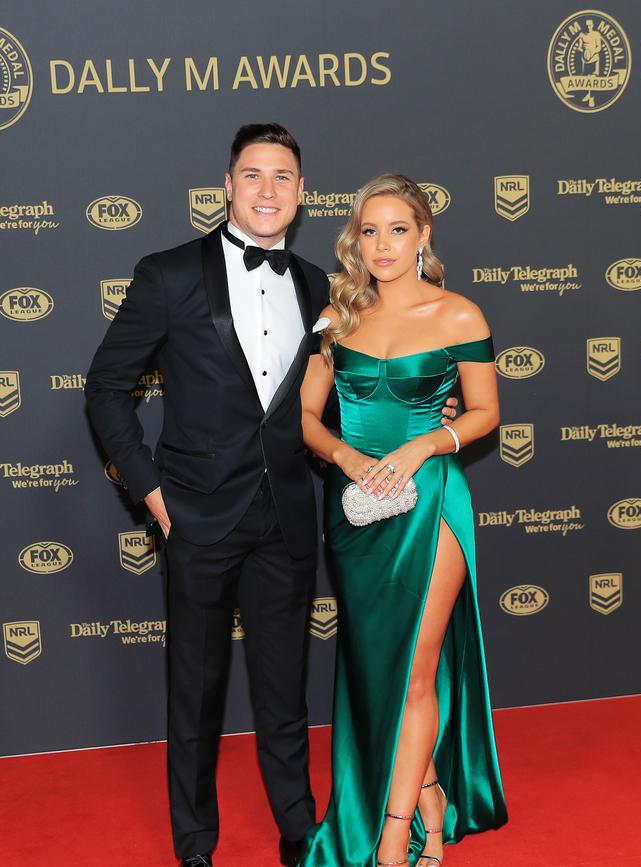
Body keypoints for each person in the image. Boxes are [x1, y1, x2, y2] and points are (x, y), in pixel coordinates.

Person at [84, 125, 461, 866]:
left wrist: (433, 412)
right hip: (193, 514)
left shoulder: (323, 289)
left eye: (282, 177)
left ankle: (299, 830)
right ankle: (195, 844)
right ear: (227, 184)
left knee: (284, 690)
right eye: (252, 175)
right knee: (194, 694)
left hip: (286, 516)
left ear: (300, 193)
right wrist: (153, 495)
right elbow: (104, 390)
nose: (266, 190)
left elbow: (351, 397)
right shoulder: (166, 274)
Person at [298, 174, 507, 867]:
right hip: (357, 509)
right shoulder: (338, 317)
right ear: (354, 240)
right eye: (369, 230)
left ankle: (394, 835)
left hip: (434, 502)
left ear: (424, 235)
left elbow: (484, 413)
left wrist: (422, 443)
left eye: (397, 229)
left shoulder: (459, 316)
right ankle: (433, 798)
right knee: (375, 665)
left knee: (416, 669)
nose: (382, 243)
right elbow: (305, 416)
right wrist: (344, 456)